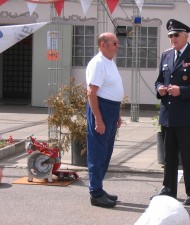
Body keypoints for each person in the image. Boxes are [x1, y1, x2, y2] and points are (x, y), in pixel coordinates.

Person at [154, 19, 190, 205]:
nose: (173, 38)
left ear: (186, 36)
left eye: (176, 35)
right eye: (170, 35)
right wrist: (160, 88)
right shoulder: (166, 55)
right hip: (168, 115)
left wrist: (182, 91)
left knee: (189, 156)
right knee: (168, 157)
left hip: (186, 116)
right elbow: (158, 80)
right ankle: (168, 190)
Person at [86, 32, 124, 208]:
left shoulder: (110, 62)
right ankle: (95, 193)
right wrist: (98, 119)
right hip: (101, 108)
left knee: (106, 152)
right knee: (98, 152)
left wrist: (117, 113)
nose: (118, 46)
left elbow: (112, 89)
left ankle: (99, 188)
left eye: (117, 42)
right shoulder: (99, 63)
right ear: (103, 44)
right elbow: (92, 93)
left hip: (111, 109)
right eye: (114, 43)